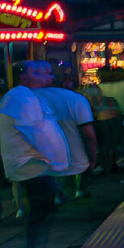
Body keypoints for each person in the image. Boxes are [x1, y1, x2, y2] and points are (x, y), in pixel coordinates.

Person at [0, 61, 71, 248]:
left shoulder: (27, 97)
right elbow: (34, 132)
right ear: (24, 78)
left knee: (44, 209)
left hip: (37, 165)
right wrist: (52, 158)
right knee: (40, 210)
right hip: (32, 165)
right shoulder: (19, 97)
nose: (46, 76)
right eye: (37, 72)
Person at [43, 63, 96, 200]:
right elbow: (88, 133)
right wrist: (92, 156)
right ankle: (77, 190)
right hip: (72, 140)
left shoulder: (33, 98)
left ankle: (58, 195)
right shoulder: (76, 99)